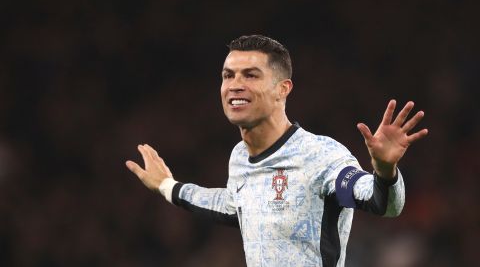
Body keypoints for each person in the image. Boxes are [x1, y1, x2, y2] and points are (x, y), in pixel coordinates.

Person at [125, 35, 428, 267]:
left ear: (283, 89)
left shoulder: (320, 157)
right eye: (228, 75)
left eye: (250, 75)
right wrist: (167, 186)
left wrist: (385, 172)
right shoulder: (240, 157)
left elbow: (379, 201)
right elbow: (234, 206)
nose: (235, 85)